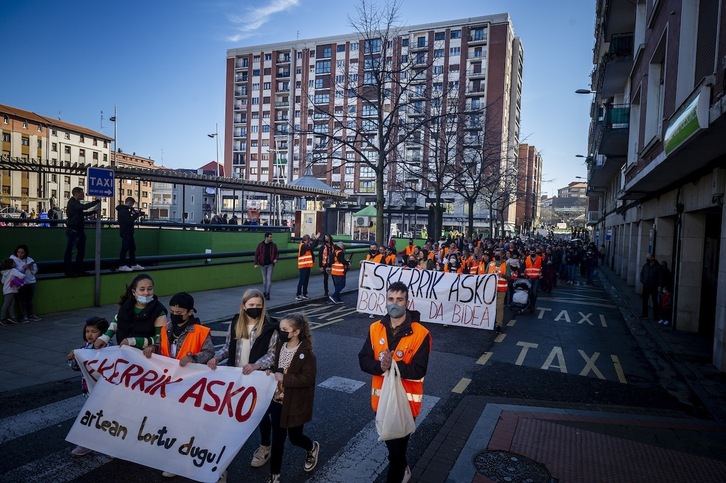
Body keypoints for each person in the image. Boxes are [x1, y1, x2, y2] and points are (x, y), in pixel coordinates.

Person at [359, 281, 431, 483]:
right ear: (385, 301)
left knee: (396, 453)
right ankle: (402, 465)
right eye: (391, 299)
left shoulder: (421, 333)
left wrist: (393, 365)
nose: (394, 304)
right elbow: (363, 359)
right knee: (393, 449)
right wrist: (380, 366)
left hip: (406, 405)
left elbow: (419, 370)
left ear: (407, 302)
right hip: (380, 402)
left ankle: (400, 470)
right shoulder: (375, 328)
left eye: (399, 299)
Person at [207, 289, 279, 470]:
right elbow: (227, 347)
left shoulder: (270, 326)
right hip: (236, 377)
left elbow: (273, 354)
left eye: (258, 305)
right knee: (231, 412)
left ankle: (265, 446)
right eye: (251, 305)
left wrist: (256, 365)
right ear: (243, 306)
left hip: (258, 378)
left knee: (261, 414)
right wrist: (216, 357)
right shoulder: (236, 323)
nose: (255, 308)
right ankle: (223, 453)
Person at [266, 313, 319, 483]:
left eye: (284, 330)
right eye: (280, 329)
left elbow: (308, 379)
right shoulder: (280, 346)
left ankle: (311, 447)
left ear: (295, 332)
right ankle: (275, 476)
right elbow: (277, 368)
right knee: (277, 440)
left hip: (295, 402)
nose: (280, 332)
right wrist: (270, 372)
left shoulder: (306, 353)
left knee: (295, 437)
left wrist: (285, 379)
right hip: (277, 400)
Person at [67, 316, 110, 456]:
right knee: (90, 417)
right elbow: (77, 368)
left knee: (107, 418)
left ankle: (111, 445)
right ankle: (86, 443)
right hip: (89, 391)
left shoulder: (110, 349)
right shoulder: (83, 348)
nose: (90, 335)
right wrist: (72, 359)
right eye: (87, 331)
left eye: (94, 332)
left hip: (106, 392)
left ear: (103, 334)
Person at [94, 274, 167, 350]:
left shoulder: (159, 311)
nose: (146, 293)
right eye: (142, 289)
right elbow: (117, 321)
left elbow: (160, 338)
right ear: (134, 292)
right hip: (124, 351)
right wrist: (105, 337)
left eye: (150, 289)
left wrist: (133, 341)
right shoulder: (126, 306)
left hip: (144, 355)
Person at [152, 292, 214, 365]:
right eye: (172, 311)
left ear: (190, 312)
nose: (174, 315)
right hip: (168, 370)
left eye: (179, 313)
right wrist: (153, 348)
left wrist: (192, 358)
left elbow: (209, 353)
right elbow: (159, 345)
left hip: (189, 373)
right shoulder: (165, 328)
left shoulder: (201, 332)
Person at [63, 187, 101, 277]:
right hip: (74, 230)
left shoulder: (74, 203)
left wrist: (93, 212)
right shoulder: (73, 203)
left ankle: (76, 269)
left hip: (76, 229)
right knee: (72, 251)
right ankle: (71, 270)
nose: (83, 195)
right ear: (77, 194)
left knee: (79, 251)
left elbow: (81, 212)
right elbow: (84, 208)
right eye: (82, 193)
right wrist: (96, 202)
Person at [11, 244, 40, 322]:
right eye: (18, 252)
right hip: (20, 282)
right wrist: (23, 267)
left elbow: (35, 271)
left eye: (22, 252)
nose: (20, 254)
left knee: (29, 299)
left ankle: (31, 314)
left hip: (31, 281)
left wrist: (31, 268)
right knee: (21, 300)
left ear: (25, 253)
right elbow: (13, 271)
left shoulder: (30, 259)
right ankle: (23, 316)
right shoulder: (12, 259)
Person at [116, 197, 145, 272]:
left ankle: (133, 264)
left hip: (128, 232)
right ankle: (122, 265)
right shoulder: (123, 211)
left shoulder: (124, 210)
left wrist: (133, 213)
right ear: (129, 202)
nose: (132, 206)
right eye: (132, 204)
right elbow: (129, 221)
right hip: (126, 232)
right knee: (125, 248)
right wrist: (135, 215)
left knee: (132, 248)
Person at [487, 249, 510, 333]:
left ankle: (498, 325)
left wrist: (503, 275)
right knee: (490, 306)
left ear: (502, 255)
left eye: (499, 254)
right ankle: (490, 321)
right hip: (491, 289)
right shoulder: (490, 264)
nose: (497, 256)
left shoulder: (506, 264)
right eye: (496, 254)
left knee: (499, 307)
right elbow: (485, 275)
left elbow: (509, 277)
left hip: (501, 289)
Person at [254, 232, 279, 301]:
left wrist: (276, 259)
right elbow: (256, 254)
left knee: (269, 279)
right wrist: (256, 263)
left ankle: (267, 293)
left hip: (270, 264)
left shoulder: (273, 245)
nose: (271, 238)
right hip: (263, 264)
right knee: (265, 280)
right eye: (270, 237)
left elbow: (277, 253)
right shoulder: (260, 245)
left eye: (271, 237)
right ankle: (264, 292)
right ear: (266, 238)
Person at [1, 258, 25, 325]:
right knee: (7, 304)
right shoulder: (13, 270)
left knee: (11, 304)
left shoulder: (5, 272)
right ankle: (2, 318)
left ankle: (12, 317)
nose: (15, 263)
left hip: (6, 290)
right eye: (14, 262)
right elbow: (22, 276)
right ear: (11, 264)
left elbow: (3, 281)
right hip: (11, 290)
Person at [640, 254, 661, 320]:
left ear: (652, 258)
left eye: (648, 257)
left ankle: (656, 317)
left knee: (655, 302)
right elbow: (642, 273)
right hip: (646, 286)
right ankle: (644, 315)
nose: (647, 258)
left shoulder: (657, 267)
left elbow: (660, 277)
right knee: (645, 301)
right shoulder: (645, 266)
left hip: (654, 286)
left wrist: (659, 285)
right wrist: (643, 280)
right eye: (647, 257)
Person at [295, 234, 314, 301]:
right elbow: (311, 248)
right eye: (308, 240)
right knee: (302, 281)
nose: (309, 241)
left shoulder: (307, 245)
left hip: (307, 266)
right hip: (303, 266)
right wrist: (315, 240)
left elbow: (313, 248)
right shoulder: (303, 246)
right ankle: (298, 294)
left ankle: (305, 294)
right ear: (305, 240)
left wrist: (316, 240)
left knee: (306, 281)